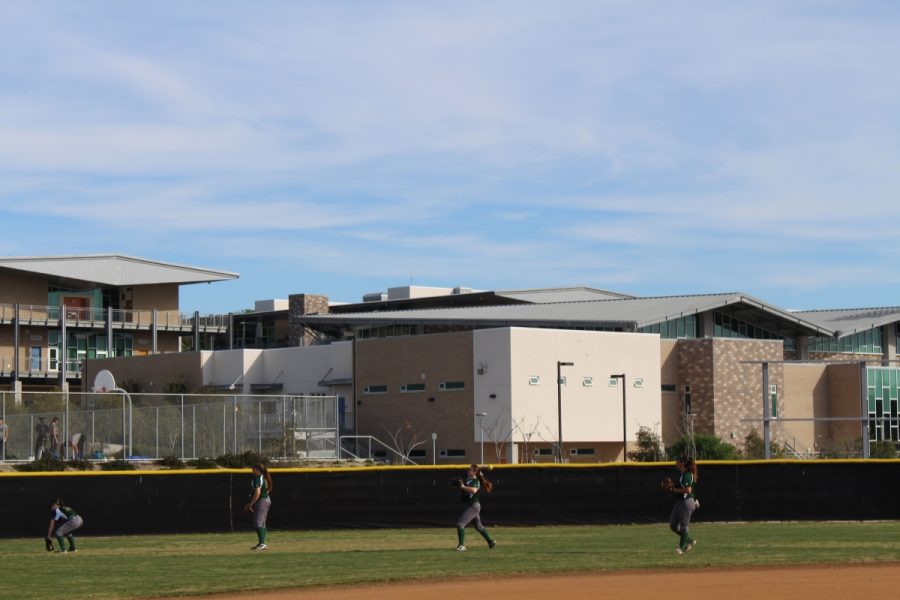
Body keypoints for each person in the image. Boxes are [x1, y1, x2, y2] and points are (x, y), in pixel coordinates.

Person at [454, 463, 496, 551]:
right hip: (473, 506)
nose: (468, 470)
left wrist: (462, 486)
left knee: (460, 524)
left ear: (474, 473)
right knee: (478, 526)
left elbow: (473, 490)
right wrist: (484, 467)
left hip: (474, 506)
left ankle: (461, 545)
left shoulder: (475, 481)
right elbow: (476, 467)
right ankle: (491, 541)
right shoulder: (469, 480)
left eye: (470, 470)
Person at [665, 456, 699, 555]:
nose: (676, 463)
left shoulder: (687, 475)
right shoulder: (681, 475)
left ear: (682, 463)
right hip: (680, 501)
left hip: (687, 502)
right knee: (673, 525)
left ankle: (680, 548)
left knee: (684, 526)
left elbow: (688, 490)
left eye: (677, 461)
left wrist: (673, 489)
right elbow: (680, 487)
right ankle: (689, 540)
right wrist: (671, 486)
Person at [245, 463, 273, 551]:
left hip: (262, 500)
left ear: (258, 470)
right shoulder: (262, 477)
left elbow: (258, 492)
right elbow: (267, 489)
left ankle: (262, 544)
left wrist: (251, 504)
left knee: (258, 522)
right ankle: (262, 543)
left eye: (253, 468)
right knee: (262, 523)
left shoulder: (257, 477)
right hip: (266, 499)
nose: (252, 470)